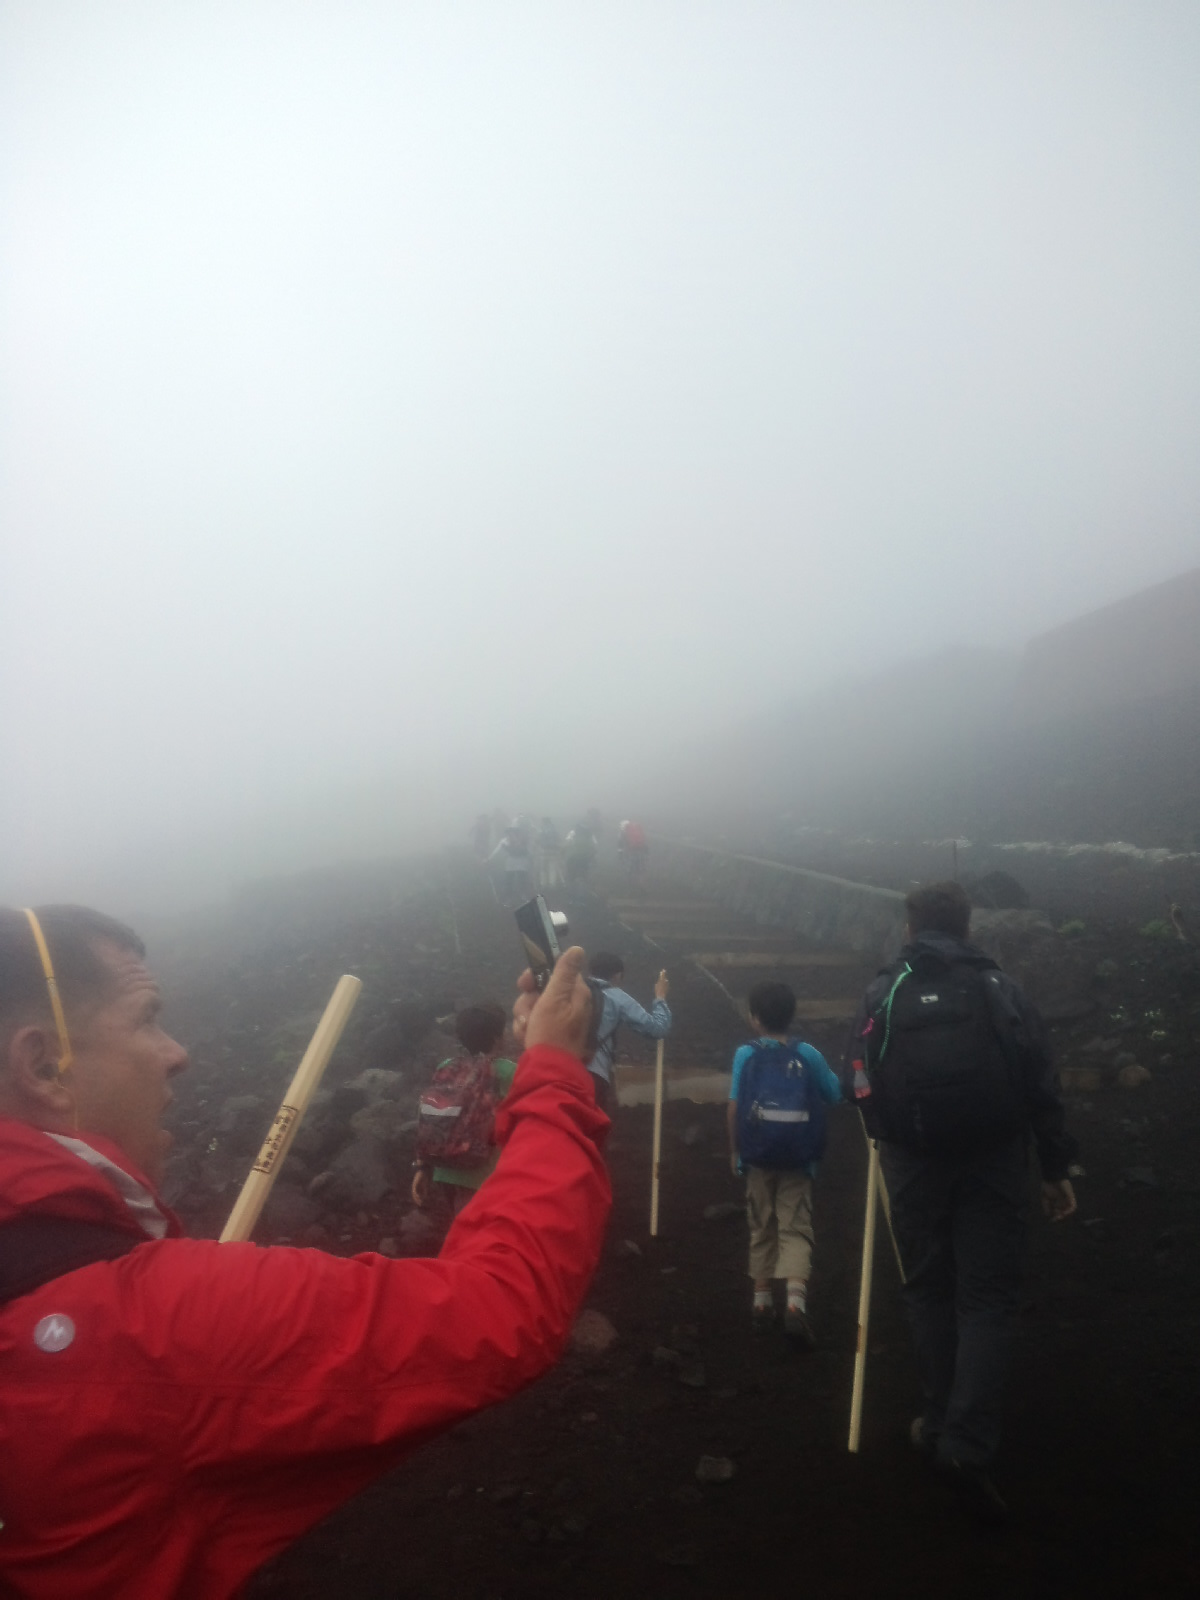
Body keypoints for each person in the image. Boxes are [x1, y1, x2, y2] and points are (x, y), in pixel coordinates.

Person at [0, 904, 610, 1598]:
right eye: (146, 1019)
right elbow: (502, 1308)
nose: (177, 1053)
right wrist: (556, 1072)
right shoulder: (150, 1328)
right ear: (45, 1066)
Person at [845, 880, 1077, 1522]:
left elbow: (858, 1075)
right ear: (968, 927)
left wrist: (883, 1134)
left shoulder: (883, 990)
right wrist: (1055, 1166)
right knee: (988, 1296)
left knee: (927, 1289)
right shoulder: (998, 988)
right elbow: (1039, 1077)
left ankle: (938, 1419)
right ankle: (967, 1446)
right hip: (995, 1159)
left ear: (909, 928)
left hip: (913, 1161)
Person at [726, 981, 842, 1346]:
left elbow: (733, 1107)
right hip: (798, 1159)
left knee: (761, 1222)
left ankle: (761, 1302)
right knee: (794, 1226)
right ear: (792, 1015)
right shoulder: (808, 1054)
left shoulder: (745, 1055)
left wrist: (736, 1150)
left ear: (754, 1018)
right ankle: (795, 1304)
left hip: (757, 1157)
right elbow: (835, 1094)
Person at [411, 1000, 517, 1218]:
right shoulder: (509, 1073)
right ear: (498, 1038)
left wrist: (422, 1167)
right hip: (483, 1174)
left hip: (445, 1168)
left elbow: (429, 1116)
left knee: (459, 1226)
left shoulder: (447, 1067)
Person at [586, 952, 671, 1117]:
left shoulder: (572, 991)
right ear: (617, 975)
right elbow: (658, 1028)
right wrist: (660, 997)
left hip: (562, 1069)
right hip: (594, 1076)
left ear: (590, 972)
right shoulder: (617, 997)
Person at [487, 825, 533, 907]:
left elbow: (528, 850)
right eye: (508, 833)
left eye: (512, 833)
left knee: (522, 880)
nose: (510, 834)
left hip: (521, 862)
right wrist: (489, 859)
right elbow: (497, 850)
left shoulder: (521, 839)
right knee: (509, 881)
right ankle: (509, 898)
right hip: (511, 862)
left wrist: (530, 857)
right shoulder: (504, 841)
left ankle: (523, 896)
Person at [563, 823, 597, 891]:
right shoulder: (589, 835)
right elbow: (594, 846)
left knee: (571, 872)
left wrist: (563, 851)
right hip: (586, 857)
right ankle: (586, 886)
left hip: (576, 857)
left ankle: (571, 886)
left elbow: (567, 843)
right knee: (585, 873)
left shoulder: (573, 834)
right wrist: (592, 856)